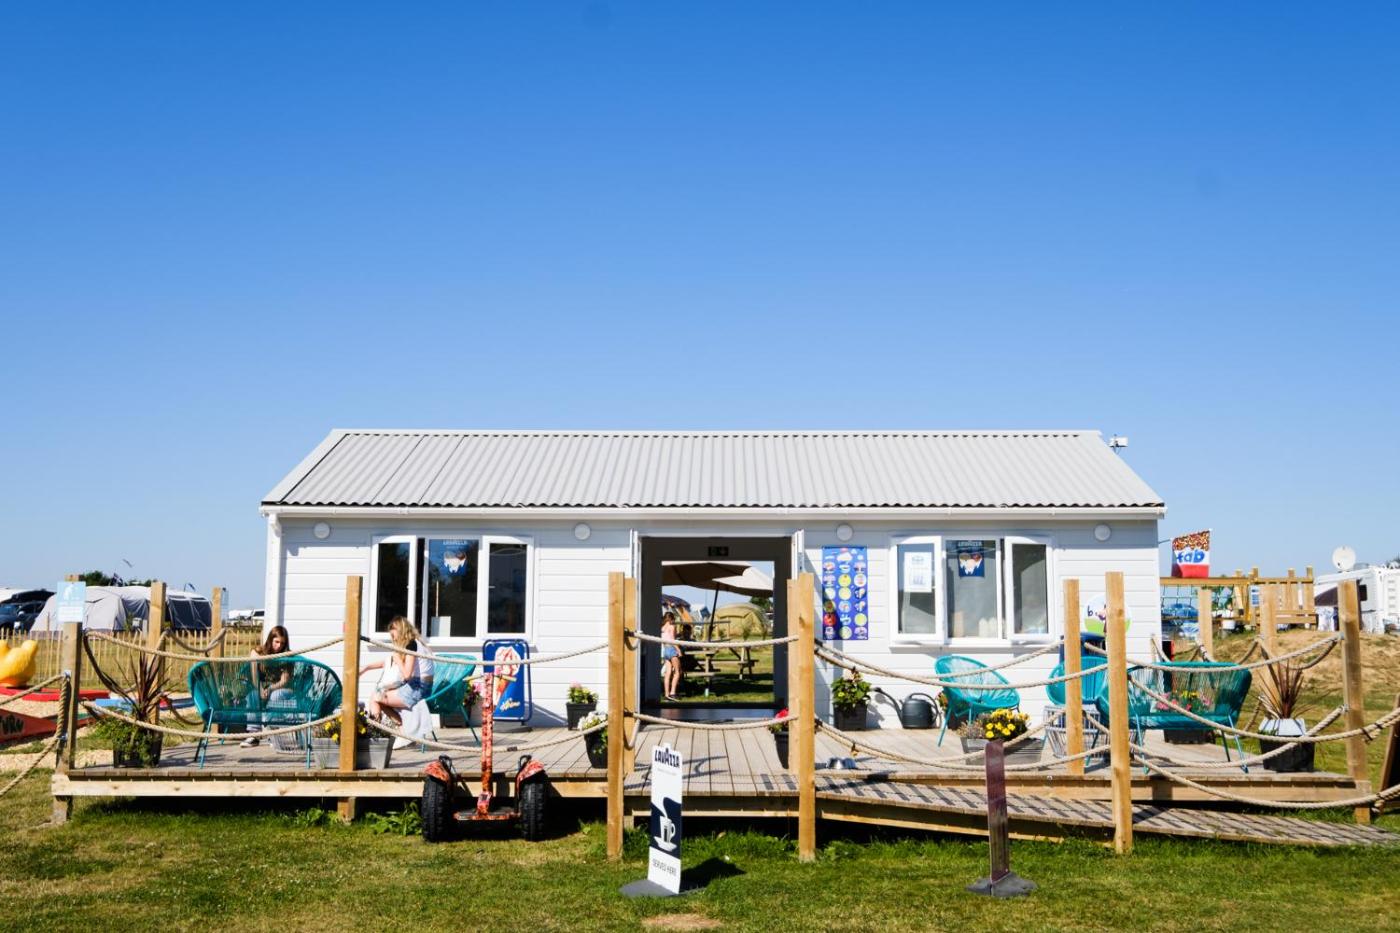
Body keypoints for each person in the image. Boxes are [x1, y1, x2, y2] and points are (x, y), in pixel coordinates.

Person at [360, 616, 435, 748]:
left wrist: (399, 660)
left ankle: (379, 736)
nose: (393, 640)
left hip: (418, 688)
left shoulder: (411, 645)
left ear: (401, 631)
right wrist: (366, 668)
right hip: (421, 686)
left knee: (375, 698)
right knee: (378, 696)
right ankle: (403, 732)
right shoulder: (415, 643)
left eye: (394, 636)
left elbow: (407, 675)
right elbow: (387, 662)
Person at [241, 625, 294, 748]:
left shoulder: (287, 655)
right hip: (261, 687)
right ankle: (254, 734)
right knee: (253, 695)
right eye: (276, 642)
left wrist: (270, 689)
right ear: (270, 639)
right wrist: (260, 690)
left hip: (281, 689)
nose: (279, 646)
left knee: (276, 695)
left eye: (282, 643)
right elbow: (254, 675)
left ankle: (273, 734)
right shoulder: (258, 652)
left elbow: (285, 680)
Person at [661, 611, 682, 701]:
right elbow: (672, 640)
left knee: (668, 673)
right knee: (677, 672)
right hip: (672, 649)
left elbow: (666, 638)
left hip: (666, 650)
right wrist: (679, 650)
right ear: (672, 618)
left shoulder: (662, 628)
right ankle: (673, 693)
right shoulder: (672, 626)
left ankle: (666, 694)